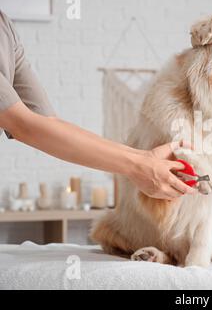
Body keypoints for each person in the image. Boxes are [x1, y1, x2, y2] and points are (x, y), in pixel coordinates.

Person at [0, 11, 194, 200]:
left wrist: (145, 158)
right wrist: (139, 166)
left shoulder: (4, 27)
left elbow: (46, 124)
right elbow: (22, 124)